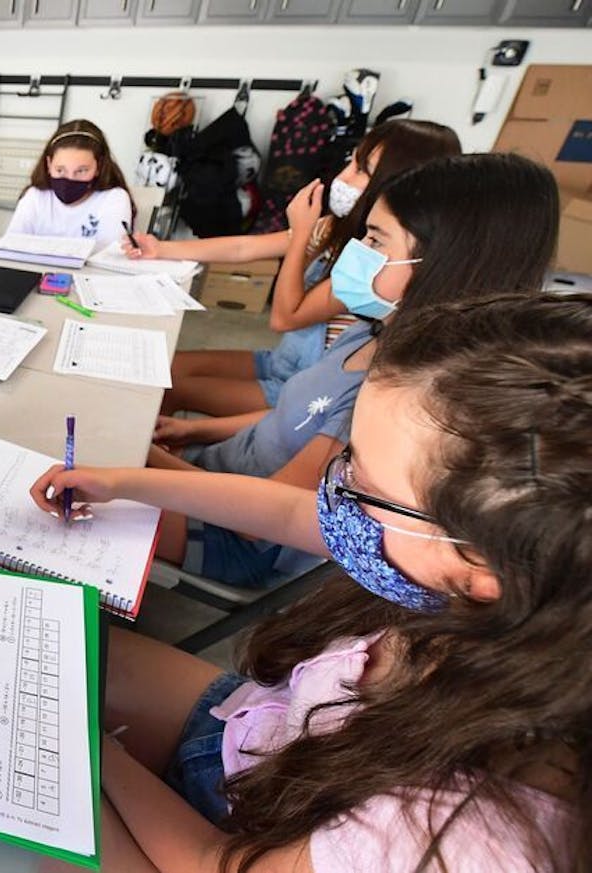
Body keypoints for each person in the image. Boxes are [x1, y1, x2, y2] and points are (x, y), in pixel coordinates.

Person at [31, 292, 591, 872]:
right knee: (52, 642)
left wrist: (90, 746)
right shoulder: (486, 578)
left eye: (361, 484)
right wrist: (123, 481)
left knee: (20, 815)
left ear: (480, 565)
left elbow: (215, 864)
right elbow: (292, 513)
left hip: (234, 844)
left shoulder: (459, 833)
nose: (333, 489)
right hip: (262, 739)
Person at [144, 152, 557, 587]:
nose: (356, 253)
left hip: (237, 532)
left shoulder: (387, 394)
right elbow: (297, 415)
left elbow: (264, 515)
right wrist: (193, 434)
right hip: (216, 475)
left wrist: (142, 462)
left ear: (442, 263)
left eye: (376, 242)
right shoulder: (369, 329)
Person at [124, 120, 460, 417]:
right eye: (351, 162)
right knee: (165, 366)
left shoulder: (374, 262)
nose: (343, 178)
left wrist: (300, 235)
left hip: (302, 387)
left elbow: (285, 317)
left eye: (362, 170)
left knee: (167, 387)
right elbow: (246, 247)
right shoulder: (334, 227)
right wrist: (162, 248)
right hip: (281, 361)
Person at [7, 119, 134, 250]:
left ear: (98, 167)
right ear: (49, 164)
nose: (70, 178)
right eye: (60, 170)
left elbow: (111, 254)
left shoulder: (114, 198)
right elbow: (11, 245)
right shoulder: (35, 196)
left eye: (81, 171)